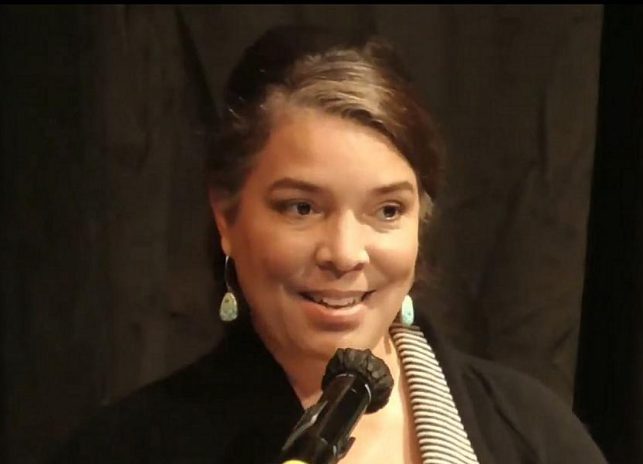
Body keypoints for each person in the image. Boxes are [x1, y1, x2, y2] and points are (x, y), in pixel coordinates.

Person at [51, 24, 607, 464]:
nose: (344, 253)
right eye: (302, 207)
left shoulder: (534, 434)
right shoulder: (128, 449)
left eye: (387, 210)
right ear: (226, 215)